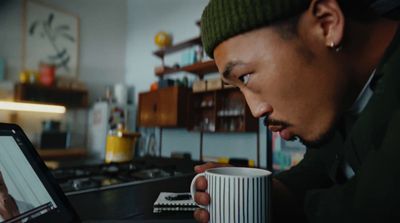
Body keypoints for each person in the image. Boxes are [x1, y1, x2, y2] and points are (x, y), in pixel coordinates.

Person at [193, 0, 400, 222]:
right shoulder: (340, 100)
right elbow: (320, 165)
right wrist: (266, 192)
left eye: (245, 76)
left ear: (326, 23)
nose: (255, 111)